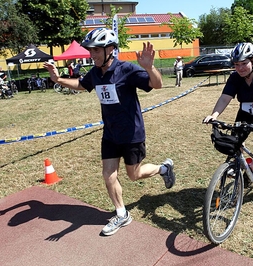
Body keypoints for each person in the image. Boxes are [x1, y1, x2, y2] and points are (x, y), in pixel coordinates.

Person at [44, 28, 176, 236]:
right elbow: (81, 84)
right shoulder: (95, 72)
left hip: (132, 134)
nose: (92, 55)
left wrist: (150, 68)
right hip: (110, 134)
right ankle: (122, 214)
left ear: (110, 49)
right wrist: (58, 79)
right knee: (108, 175)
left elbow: (157, 85)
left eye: (96, 50)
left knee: (134, 175)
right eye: (90, 50)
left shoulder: (127, 69)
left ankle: (163, 169)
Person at [203, 43, 253, 190]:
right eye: (236, 64)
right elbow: (225, 98)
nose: (240, 68)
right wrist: (213, 115)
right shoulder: (235, 77)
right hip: (247, 112)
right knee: (234, 143)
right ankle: (249, 164)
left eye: (244, 63)